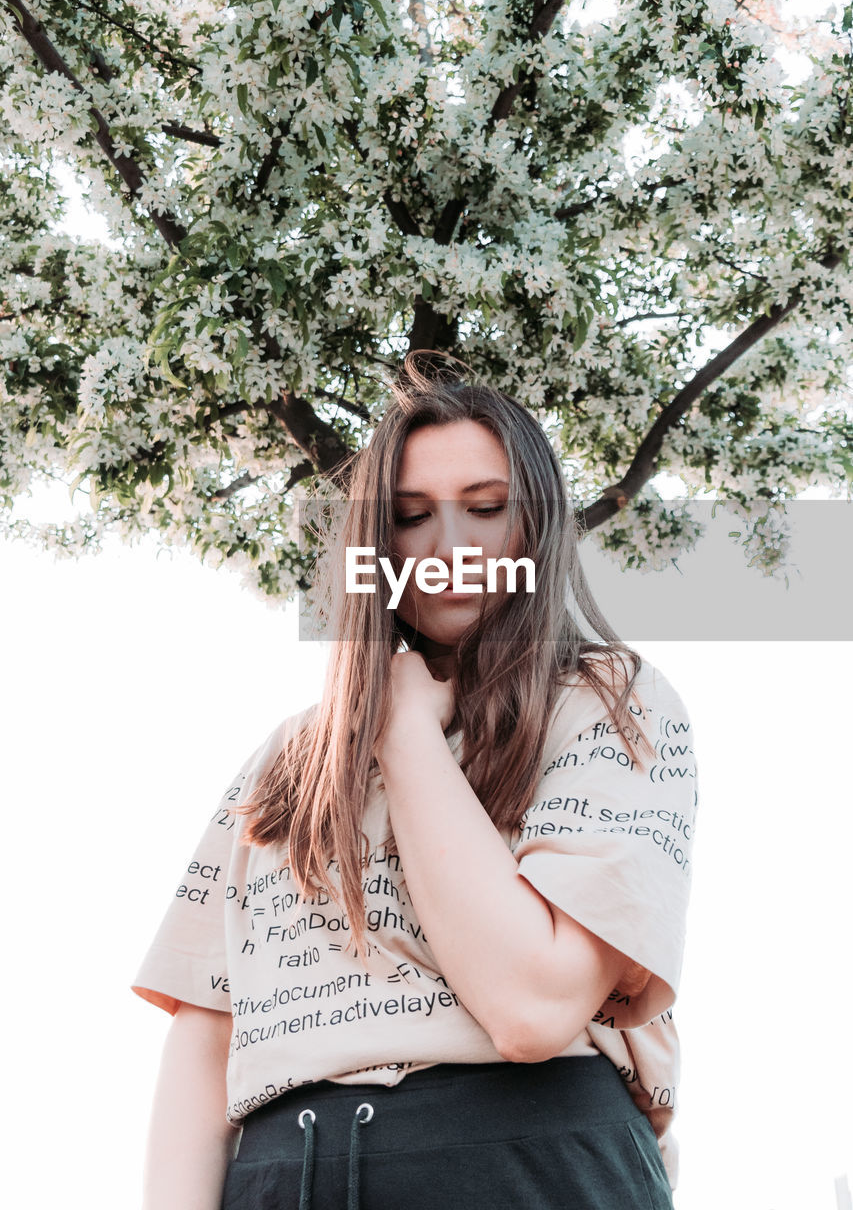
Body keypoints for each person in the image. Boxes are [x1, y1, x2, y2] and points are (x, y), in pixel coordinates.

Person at [134, 350, 697, 1210]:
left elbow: (531, 1008)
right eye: (410, 516)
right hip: (288, 1174)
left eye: (486, 508)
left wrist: (403, 731)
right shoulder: (290, 756)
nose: (450, 548)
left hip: (526, 1163)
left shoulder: (608, 702)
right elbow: (208, 1038)